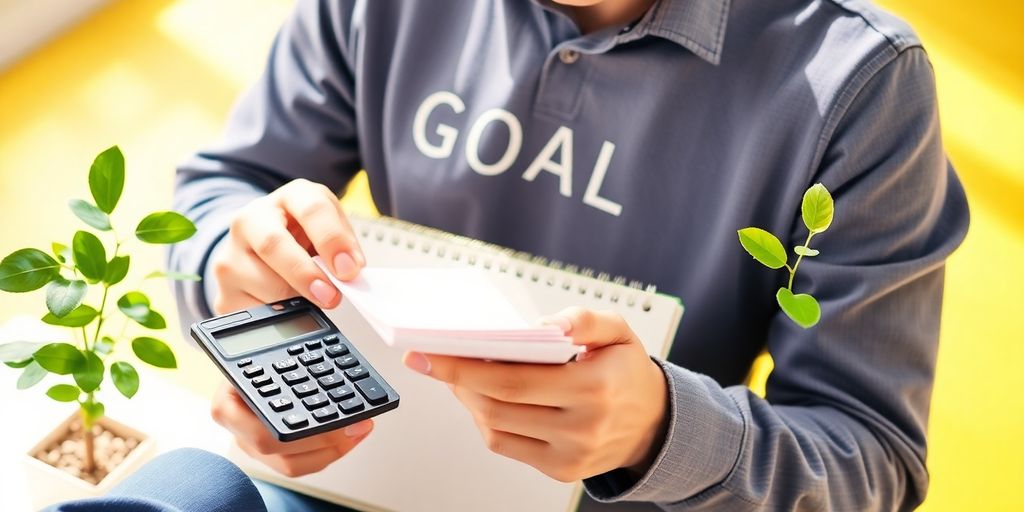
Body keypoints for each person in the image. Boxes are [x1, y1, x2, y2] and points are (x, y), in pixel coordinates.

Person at [168, 0, 969, 510]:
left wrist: (663, 432)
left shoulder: (859, 86)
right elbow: (225, 189)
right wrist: (230, 270)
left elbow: (873, 461)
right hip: (366, 475)